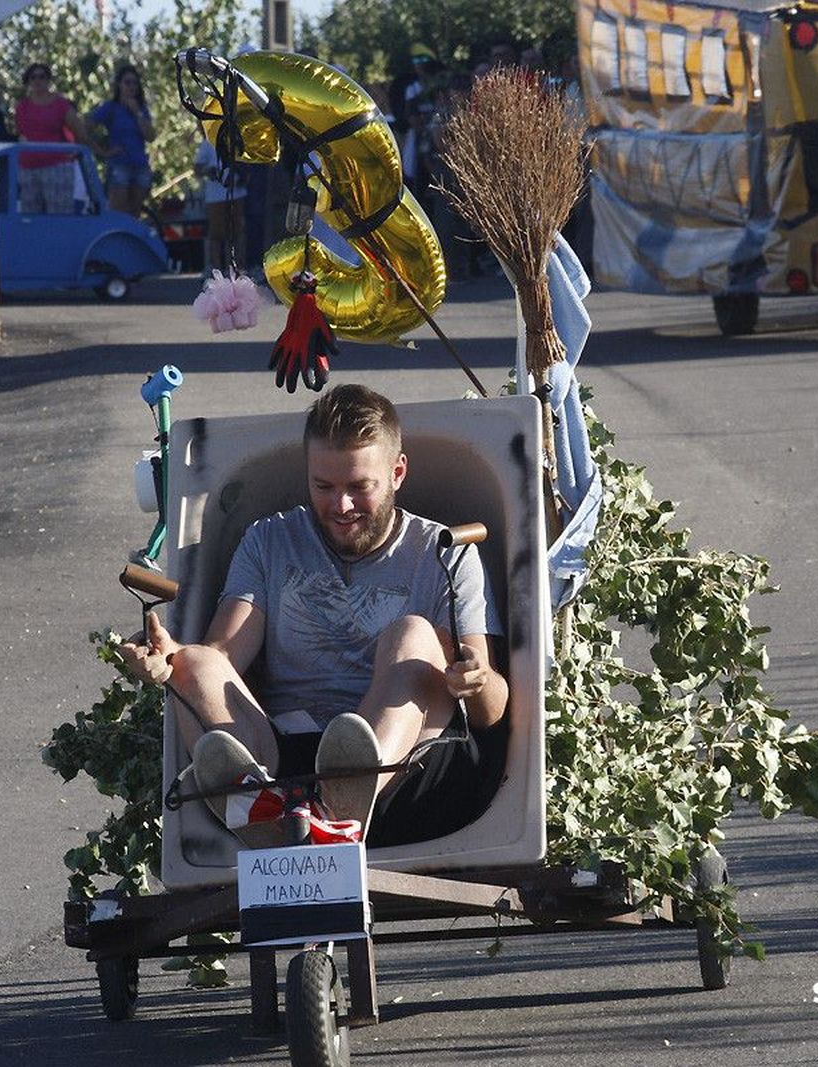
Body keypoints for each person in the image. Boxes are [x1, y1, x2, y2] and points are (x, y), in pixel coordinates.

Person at [119, 384, 509, 847]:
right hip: (287, 774)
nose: (341, 507)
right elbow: (222, 655)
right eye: (324, 487)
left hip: (402, 771)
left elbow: (489, 712)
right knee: (196, 661)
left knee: (413, 634)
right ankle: (268, 808)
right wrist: (168, 659)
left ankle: (341, 807)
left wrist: (477, 681)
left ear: (397, 472)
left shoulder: (444, 553)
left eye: (359, 487)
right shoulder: (268, 541)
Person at [13, 62, 100, 214]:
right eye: (33, 77)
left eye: (42, 77)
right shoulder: (22, 108)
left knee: (58, 216)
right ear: (28, 81)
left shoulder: (60, 104)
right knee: (30, 218)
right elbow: (22, 134)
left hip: (57, 167)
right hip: (28, 168)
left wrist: (73, 153)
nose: (38, 81)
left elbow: (80, 132)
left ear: (48, 80)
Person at [87, 64, 156, 216]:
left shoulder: (142, 109)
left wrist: (137, 112)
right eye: (127, 82)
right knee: (119, 212)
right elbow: (85, 128)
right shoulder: (110, 108)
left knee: (134, 213)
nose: (131, 86)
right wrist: (102, 151)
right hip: (119, 166)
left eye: (134, 83)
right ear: (119, 85)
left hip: (140, 166)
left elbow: (151, 136)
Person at [194, 136, 247, 276]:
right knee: (216, 233)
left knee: (236, 231)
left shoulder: (239, 138)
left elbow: (246, 163)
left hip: (237, 192)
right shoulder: (209, 142)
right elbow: (197, 168)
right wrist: (210, 171)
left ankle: (236, 267)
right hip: (215, 195)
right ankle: (216, 269)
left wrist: (243, 175)